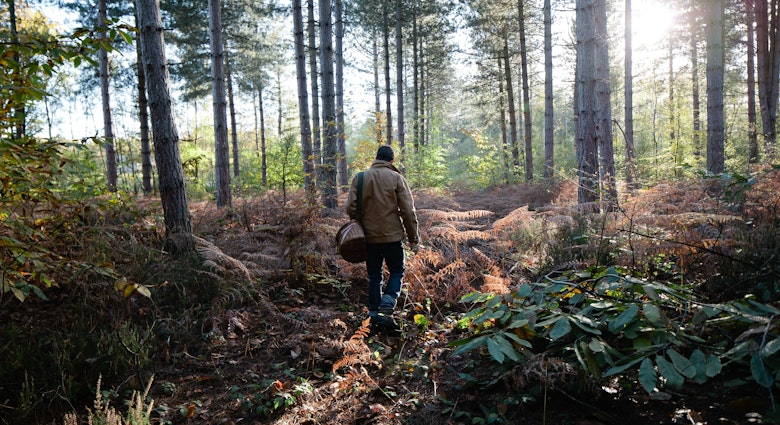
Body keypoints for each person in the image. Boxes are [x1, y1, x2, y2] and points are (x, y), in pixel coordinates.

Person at [346, 145, 419, 331]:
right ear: (391, 161)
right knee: (396, 271)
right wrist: (413, 238)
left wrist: (363, 220)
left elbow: (350, 208)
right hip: (393, 237)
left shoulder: (360, 177)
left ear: (376, 158)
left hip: (368, 238)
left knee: (374, 276)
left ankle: (373, 314)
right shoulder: (397, 178)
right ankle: (387, 306)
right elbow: (408, 212)